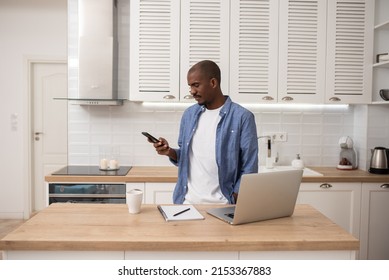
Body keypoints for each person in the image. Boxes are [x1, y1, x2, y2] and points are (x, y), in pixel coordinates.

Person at [149, 60, 258, 204]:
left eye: (196, 85)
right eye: (190, 86)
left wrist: (236, 197)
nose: (192, 91)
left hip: (223, 205)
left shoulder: (242, 117)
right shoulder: (189, 115)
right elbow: (186, 157)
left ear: (213, 83)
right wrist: (168, 151)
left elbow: (249, 166)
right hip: (187, 203)